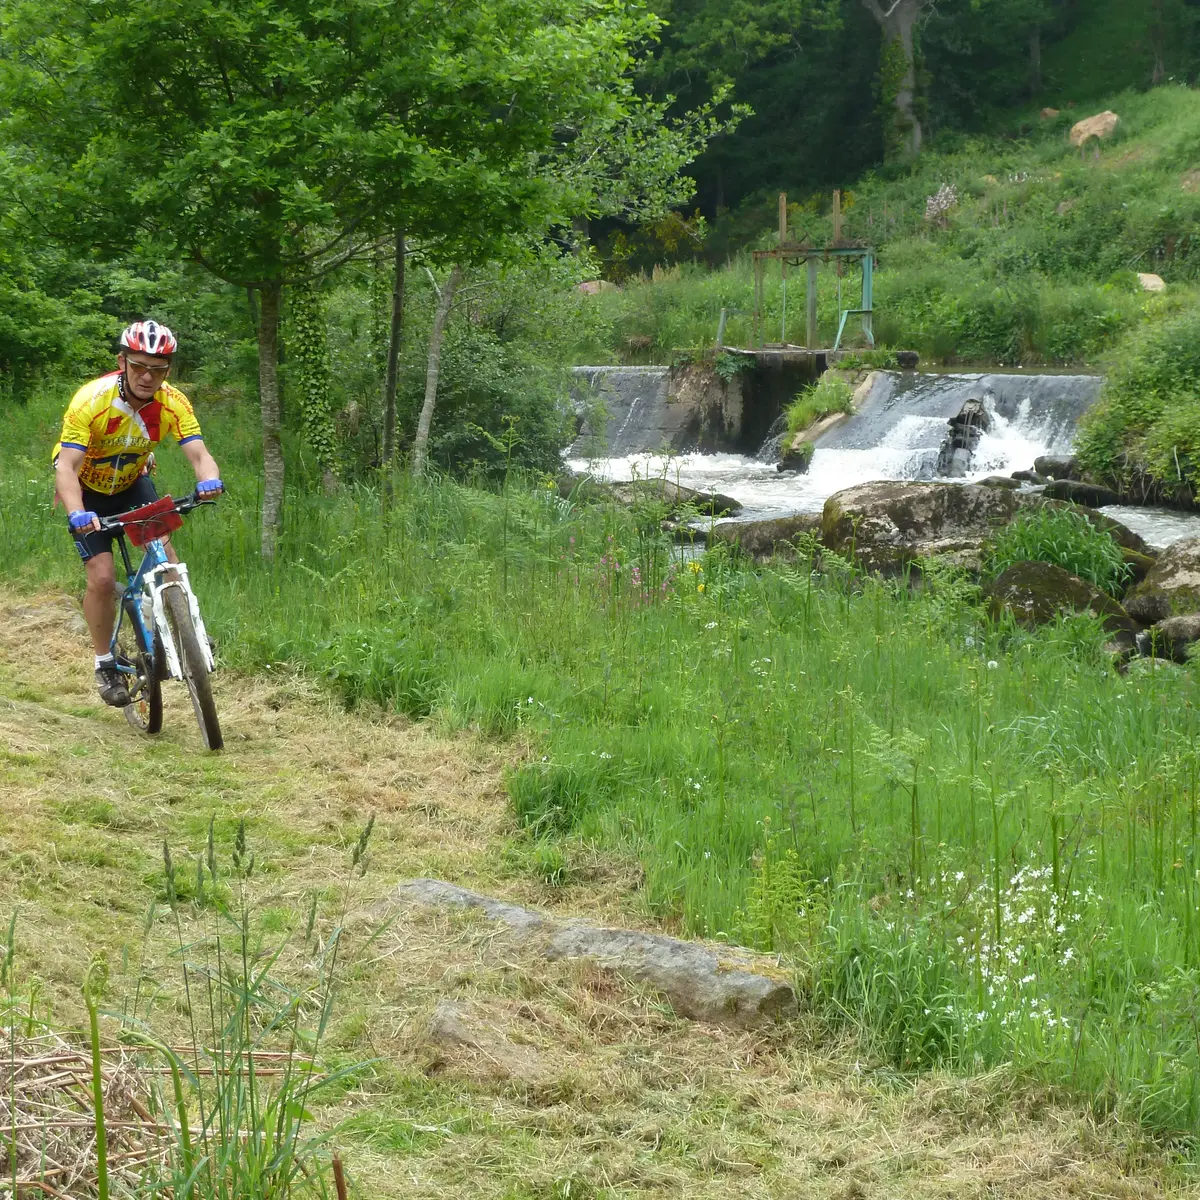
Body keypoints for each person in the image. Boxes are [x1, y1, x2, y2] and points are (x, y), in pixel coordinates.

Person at [54, 320, 223, 707]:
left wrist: (209, 480)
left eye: (159, 369)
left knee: (165, 558)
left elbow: (199, 454)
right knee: (102, 577)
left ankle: (186, 633)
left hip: (132, 484)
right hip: (87, 491)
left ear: (169, 370)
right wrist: (78, 512)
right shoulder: (91, 400)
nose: (148, 376)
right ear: (122, 361)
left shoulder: (173, 402)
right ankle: (105, 663)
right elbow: (66, 467)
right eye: (139, 366)